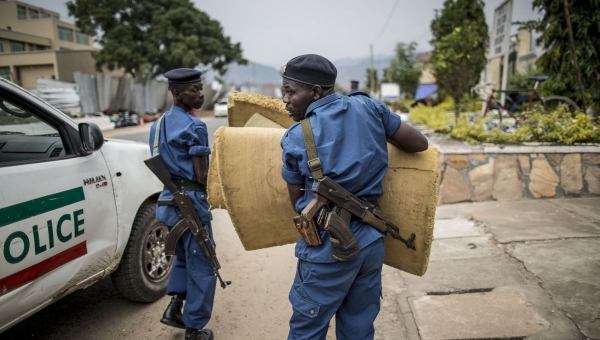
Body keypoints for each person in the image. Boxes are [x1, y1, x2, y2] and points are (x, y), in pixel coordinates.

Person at [280, 54, 428, 340]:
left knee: (307, 329)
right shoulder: (369, 107)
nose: (284, 99)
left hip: (328, 249)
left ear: (315, 92)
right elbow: (419, 143)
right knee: (358, 328)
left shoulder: (296, 137)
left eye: (290, 91)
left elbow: (296, 200)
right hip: (371, 242)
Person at [148, 68, 215, 340]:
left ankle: (175, 308)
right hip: (192, 204)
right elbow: (202, 176)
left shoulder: (158, 124)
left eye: (201, 88)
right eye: (194, 90)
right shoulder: (195, 126)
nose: (201, 94)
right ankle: (194, 329)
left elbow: (157, 163)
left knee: (184, 259)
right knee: (204, 266)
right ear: (178, 93)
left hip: (169, 201)